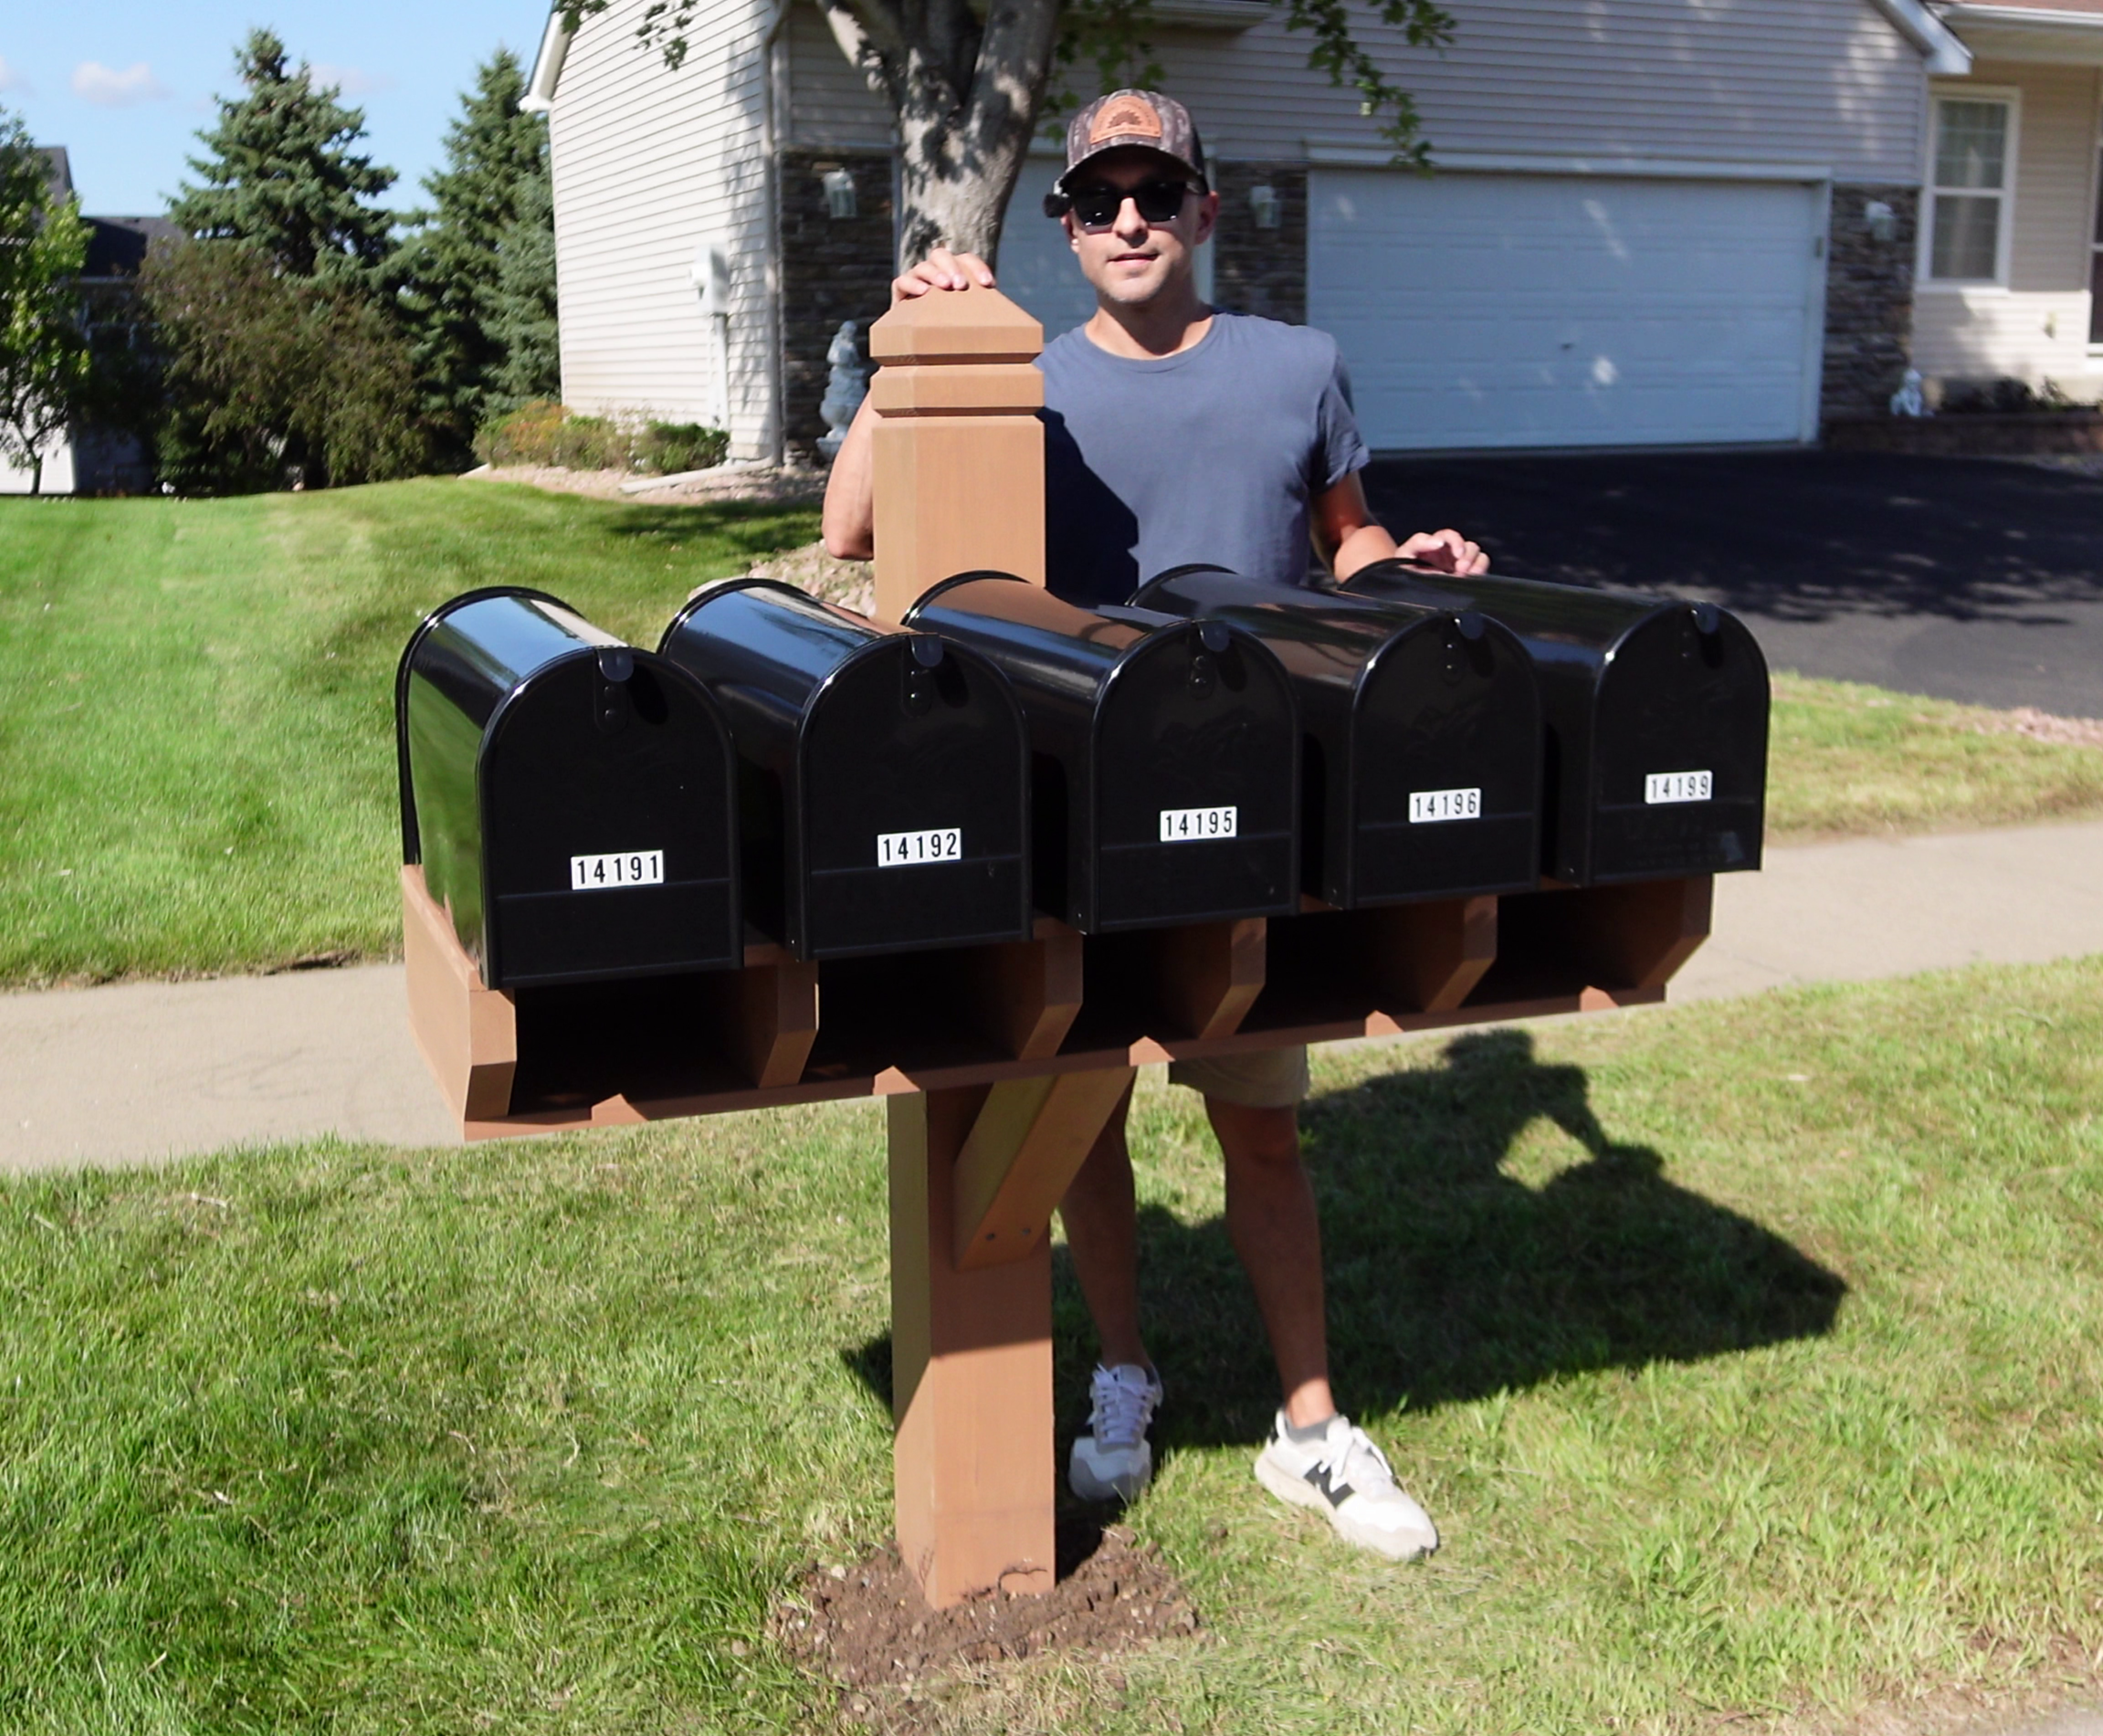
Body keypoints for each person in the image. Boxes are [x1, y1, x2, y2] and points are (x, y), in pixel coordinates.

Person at [822, 89, 1488, 1562]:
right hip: (1078, 809)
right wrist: (905, 341)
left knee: (1261, 1128)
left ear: (1202, 208)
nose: (1128, 217)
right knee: (1084, 1119)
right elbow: (852, 527)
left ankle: (1308, 1429)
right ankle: (1123, 1370)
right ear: (1063, 226)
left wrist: (1403, 561)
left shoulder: (1297, 366)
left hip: (1251, 814)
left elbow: (1344, 536)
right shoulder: (1023, 378)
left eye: (1155, 190)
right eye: (1098, 197)